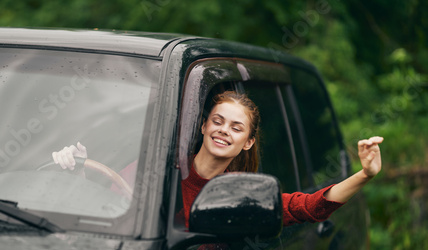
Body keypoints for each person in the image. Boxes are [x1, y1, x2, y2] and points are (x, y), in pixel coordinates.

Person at [52, 90, 383, 228]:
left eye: (236, 128)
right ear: (204, 125)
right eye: (218, 121)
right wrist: (76, 173)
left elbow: (311, 206)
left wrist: (365, 174)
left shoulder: (241, 197)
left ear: (247, 142)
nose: (224, 131)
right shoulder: (149, 170)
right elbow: (108, 218)